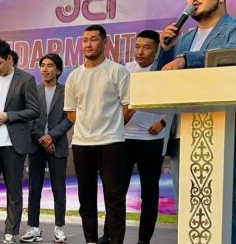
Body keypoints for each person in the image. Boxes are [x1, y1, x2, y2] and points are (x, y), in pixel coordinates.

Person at [156, 0, 236, 244]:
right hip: (183, 133)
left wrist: (185, 59)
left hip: (221, 130)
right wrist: (165, 50)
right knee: (189, 210)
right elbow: (160, 80)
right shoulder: (183, 39)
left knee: (220, 208)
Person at [64, 25, 131, 244]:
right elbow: (71, 112)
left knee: (114, 199)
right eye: (85, 40)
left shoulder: (118, 71)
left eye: (93, 39)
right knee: (86, 199)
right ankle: (91, 240)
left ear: (104, 42)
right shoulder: (74, 76)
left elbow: (128, 107)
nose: (88, 44)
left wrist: (111, 126)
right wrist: (89, 127)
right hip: (82, 144)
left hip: (112, 143)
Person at [99, 30, 166, 244]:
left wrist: (164, 122)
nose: (140, 52)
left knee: (150, 194)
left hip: (152, 141)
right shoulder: (125, 70)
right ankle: (109, 235)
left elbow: (177, 102)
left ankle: (144, 240)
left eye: (146, 47)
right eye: (137, 46)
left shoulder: (164, 71)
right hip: (124, 139)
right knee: (116, 191)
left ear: (157, 49)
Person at [0, 40, 40, 244]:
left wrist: (9, 116)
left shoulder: (26, 79)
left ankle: (11, 232)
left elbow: (34, 110)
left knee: (13, 190)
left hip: (14, 143)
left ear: (9, 59)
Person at [21, 53, 71, 244]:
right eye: (42, 65)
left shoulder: (66, 91)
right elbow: (28, 117)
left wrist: (52, 136)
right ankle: (34, 228)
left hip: (57, 145)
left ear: (58, 70)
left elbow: (70, 118)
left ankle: (59, 228)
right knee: (34, 188)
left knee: (59, 188)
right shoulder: (33, 90)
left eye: (50, 65)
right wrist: (41, 138)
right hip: (36, 145)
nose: (45, 69)